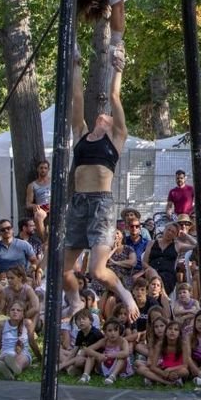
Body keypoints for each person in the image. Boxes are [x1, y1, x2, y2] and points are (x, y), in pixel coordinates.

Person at [63, 49, 135, 319]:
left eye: (109, 116)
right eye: (101, 115)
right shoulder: (81, 134)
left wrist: (118, 68)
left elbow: (114, 96)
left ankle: (124, 294)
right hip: (79, 200)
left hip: (101, 204)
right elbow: (77, 96)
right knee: (64, 269)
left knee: (96, 271)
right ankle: (75, 302)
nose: (103, 115)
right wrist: (76, 64)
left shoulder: (115, 140)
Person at [25, 159, 51, 240]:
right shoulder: (32, 185)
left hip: (53, 205)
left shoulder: (54, 181)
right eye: (41, 168)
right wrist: (34, 205)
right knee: (38, 215)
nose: (43, 170)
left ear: (48, 170)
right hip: (42, 207)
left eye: (45, 168)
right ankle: (44, 240)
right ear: (37, 169)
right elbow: (28, 204)